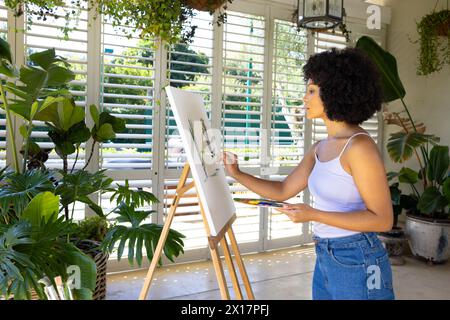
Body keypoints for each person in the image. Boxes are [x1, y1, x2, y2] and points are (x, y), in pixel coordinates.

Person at [222, 47, 395, 300]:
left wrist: (313, 214)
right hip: (326, 253)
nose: (305, 98)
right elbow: (283, 190)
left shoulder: (359, 147)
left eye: (312, 91)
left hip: (358, 256)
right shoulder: (319, 148)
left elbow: (382, 220)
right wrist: (237, 173)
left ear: (336, 92)